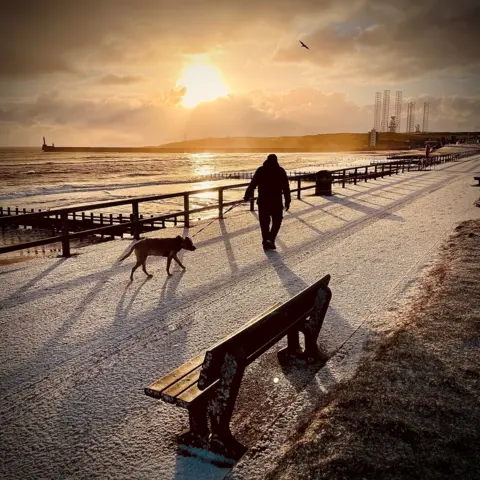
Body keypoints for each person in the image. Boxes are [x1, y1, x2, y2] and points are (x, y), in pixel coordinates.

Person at [243, 153, 291, 250]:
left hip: (263, 201)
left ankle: (266, 241)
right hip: (276, 201)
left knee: (264, 223)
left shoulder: (261, 170)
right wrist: (287, 201)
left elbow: (253, 184)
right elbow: (286, 187)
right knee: (277, 222)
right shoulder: (280, 171)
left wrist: (247, 195)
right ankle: (271, 239)